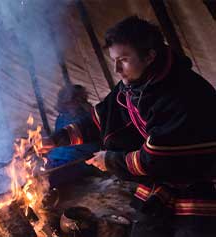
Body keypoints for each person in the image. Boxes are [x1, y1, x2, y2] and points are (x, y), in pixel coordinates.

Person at [42, 16, 216, 236]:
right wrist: (56, 140)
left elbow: (155, 158)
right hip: (162, 181)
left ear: (150, 56)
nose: (116, 68)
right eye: (113, 59)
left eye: (123, 59)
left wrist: (109, 160)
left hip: (199, 182)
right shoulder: (134, 86)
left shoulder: (182, 94)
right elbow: (99, 118)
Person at [47, 84, 100, 186]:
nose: (66, 105)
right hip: (58, 159)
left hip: (79, 161)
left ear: (78, 100)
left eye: (69, 102)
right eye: (64, 103)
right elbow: (59, 141)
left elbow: (93, 146)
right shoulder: (61, 118)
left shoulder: (89, 116)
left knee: (49, 178)